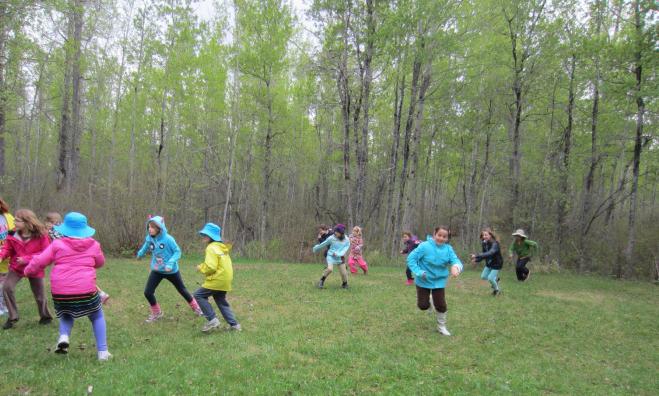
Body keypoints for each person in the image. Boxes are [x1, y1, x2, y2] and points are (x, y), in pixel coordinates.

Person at [25, 212, 111, 360]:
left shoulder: (57, 244)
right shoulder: (94, 245)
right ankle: (102, 352)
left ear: (65, 229)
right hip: (86, 290)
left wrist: (28, 270)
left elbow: (40, 261)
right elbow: (100, 263)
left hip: (61, 291)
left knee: (66, 313)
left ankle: (64, 337)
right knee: (96, 315)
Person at [136, 215, 202, 322]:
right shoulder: (149, 239)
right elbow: (145, 247)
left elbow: (177, 251)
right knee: (148, 292)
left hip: (171, 271)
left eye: (152, 227)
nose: (150, 229)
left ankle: (197, 308)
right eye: (149, 227)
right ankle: (157, 313)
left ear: (159, 228)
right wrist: (140, 254)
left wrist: (170, 263)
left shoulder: (168, 239)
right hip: (157, 270)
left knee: (182, 290)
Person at [0, 209, 52, 329]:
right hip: (16, 267)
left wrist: (28, 259)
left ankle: (45, 317)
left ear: (27, 222)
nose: (14, 222)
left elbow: (46, 253)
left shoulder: (42, 235)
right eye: (14, 220)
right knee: (7, 288)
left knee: (40, 295)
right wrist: (1, 255)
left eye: (17, 221)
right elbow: (7, 249)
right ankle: (13, 317)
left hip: (35, 267)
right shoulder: (12, 233)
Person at [407, 226, 463, 336]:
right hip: (423, 280)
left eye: (444, 236)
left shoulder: (448, 249)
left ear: (447, 238)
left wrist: (456, 267)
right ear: (434, 234)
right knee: (422, 306)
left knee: (441, 305)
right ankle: (429, 301)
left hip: (439, 282)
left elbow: (456, 260)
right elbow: (411, 259)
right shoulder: (424, 246)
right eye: (439, 235)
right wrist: (418, 272)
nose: (441, 238)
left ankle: (441, 326)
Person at [45, 212, 110, 304]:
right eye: (48, 222)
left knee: (75, 277)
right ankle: (100, 293)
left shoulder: (58, 232)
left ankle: (99, 293)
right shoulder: (52, 231)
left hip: (66, 259)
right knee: (81, 277)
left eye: (52, 222)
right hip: (62, 258)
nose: (49, 224)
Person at [193, 223, 241, 332]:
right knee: (220, 300)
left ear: (211, 236)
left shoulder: (211, 248)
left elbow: (211, 267)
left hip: (217, 279)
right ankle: (234, 325)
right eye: (203, 234)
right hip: (226, 279)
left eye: (205, 234)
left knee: (198, 295)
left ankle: (212, 320)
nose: (203, 236)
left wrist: (200, 268)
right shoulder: (222, 247)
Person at [312, 224, 350, 289]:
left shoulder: (346, 239)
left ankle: (344, 284)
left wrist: (339, 254)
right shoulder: (331, 238)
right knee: (330, 269)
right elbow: (323, 244)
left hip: (340, 257)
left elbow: (345, 248)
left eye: (337, 232)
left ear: (341, 233)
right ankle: (321, 281)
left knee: (344, 273)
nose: (335, 233)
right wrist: (316, 248)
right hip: (331, 256)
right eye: (335, 231)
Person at [471, 228, 503, 296]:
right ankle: (496, 279)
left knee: (490, 278)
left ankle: (497, 290)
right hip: (489, 263)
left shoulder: (495, 244)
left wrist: (476, 255)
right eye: (483, 235)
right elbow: (484, 254)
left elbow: (490, 253)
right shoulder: (484, 243)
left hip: (496, 264)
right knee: (483, 276)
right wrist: (476, 260)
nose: (484, 236)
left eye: (486, 235)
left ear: (490, 235)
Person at [0, 198, 15, 316]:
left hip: (7, 256)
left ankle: (5, 306)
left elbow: (15, 235)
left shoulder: (8, 217)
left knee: (5, 284)